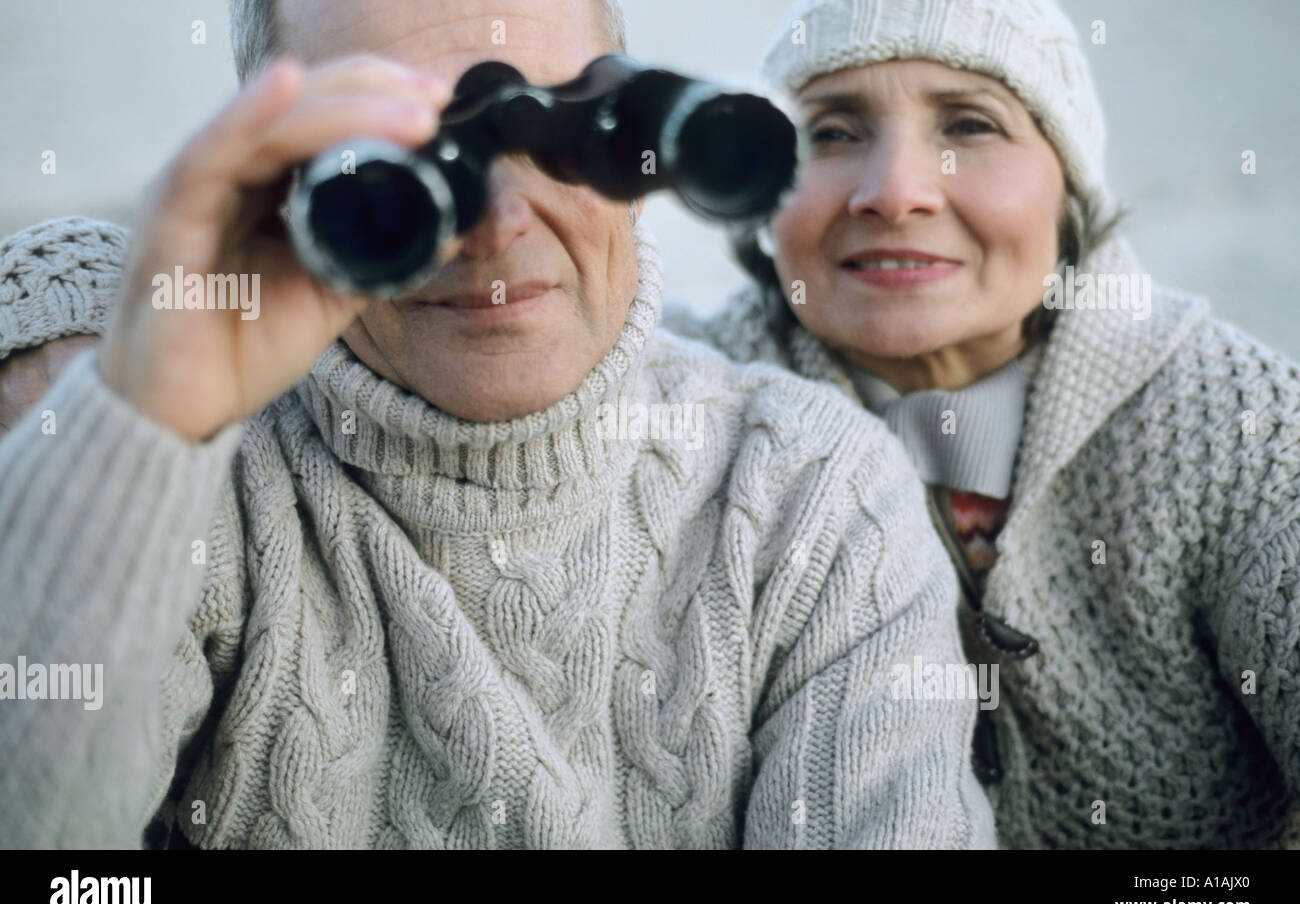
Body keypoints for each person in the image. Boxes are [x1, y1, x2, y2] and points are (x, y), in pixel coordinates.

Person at [0, 0, 995, 849]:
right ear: (278, 180)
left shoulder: (813, 497)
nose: (495, 223)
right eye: (402, 153)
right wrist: (146, 420)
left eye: (566, 134)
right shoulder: (182, 482)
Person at [664, 0, 1300, 848]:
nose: (893, 193)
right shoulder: (679, 419)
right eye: (831, 132)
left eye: (969, 124)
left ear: (1069, 185)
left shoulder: (1240, 423)